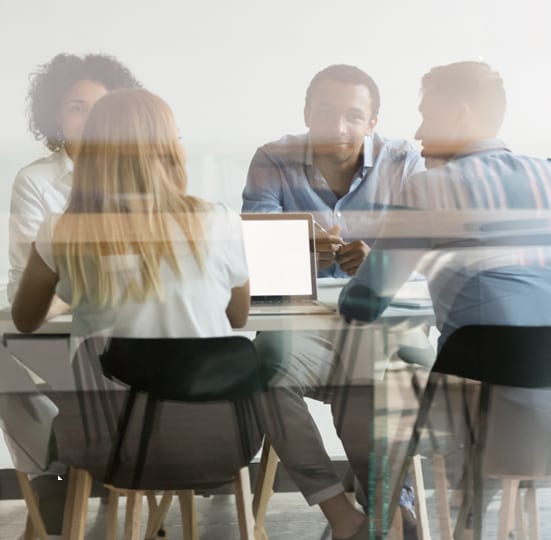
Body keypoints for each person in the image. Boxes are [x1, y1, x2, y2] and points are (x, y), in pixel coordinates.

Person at [339, 61, 551, 527]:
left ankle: (392, 521)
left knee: (375, 383)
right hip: (543, 407)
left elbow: (364, 304)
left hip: (476, 406)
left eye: (426, 116)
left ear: (460, 113)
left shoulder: (432, 187)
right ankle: (476, 514)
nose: (416, 131)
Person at [243, 65, 427, 539]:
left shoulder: (404, 161)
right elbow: (254, 255)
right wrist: (299, 248)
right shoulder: (272, 158)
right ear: (307, 113)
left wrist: (377, 264)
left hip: (376, 327)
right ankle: (342, 515)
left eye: (353, 116)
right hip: (300, 326)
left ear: (373, 121)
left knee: (370, 374)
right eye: (325, 113)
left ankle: (390, 509)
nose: (339, 128)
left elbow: (428, 255)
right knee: (265, 366)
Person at [8, 53, 141, 315]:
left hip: (123, 317)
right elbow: (34, 278)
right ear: (56, 116)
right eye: (76, 108)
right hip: (49, 319)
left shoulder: (139, 175)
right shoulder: (34, 181)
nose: (90, 120)